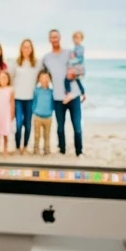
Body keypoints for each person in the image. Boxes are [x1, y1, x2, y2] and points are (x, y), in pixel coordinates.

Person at [41, 28, 83, 156]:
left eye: (56, 37)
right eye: (52, 37)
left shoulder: (69, 53)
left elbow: (80, 69)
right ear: (49, 40)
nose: (54, 39)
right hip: (58, 97)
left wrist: (81, 89)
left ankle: (79, 151)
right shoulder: (46, 58)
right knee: (60, 127)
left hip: (73, 96)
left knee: (77, 126)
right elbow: (41, 74)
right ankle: (62, 150)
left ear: (60, 38)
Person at [10, 38, 39, 154]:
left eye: (28, 47)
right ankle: (17, 146)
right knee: (18, 125)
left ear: (31, 49)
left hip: (30, 99)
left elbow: (40, 78)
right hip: (18, 99)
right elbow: (11, 79)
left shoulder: (36, 63)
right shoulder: (15, 63)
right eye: (24, 47)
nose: (26, 49)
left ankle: (25, 146)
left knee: (27, 125)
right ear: (21, 49)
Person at [32, 67, 55, 155]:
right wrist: (34, 110)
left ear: (49, 79)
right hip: (37, 116)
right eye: (42, 77)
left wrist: (51, 111)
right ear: (39, 79)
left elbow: (53, 104)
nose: (44, 79)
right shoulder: (36, 91)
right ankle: (36, 149)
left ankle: (46, 149)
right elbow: (34, 102)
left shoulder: (51, 91)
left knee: (47, 135)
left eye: (46, 77)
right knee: (37, 135)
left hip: (48, 117)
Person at [67, 30, 88, 103]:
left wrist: (69, 62)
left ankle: (68, 93)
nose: (76, 39)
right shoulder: (75, 47)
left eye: (78, 38)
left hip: (79, 68)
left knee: (67, 78)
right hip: (78, 67)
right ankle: (83, 93)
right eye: (75, 38)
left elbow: (79, 59)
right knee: (77, 80)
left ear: (81, 39)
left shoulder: (80, 48)